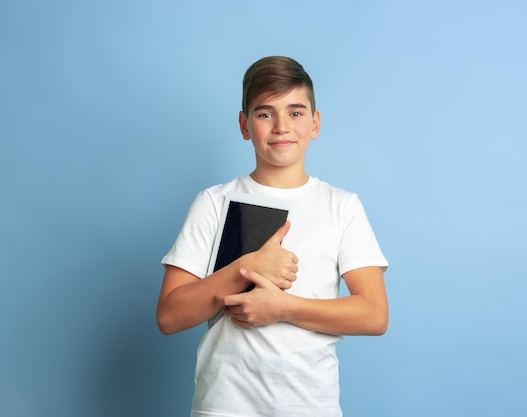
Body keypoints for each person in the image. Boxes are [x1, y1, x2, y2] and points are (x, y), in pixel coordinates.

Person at [156, 56, 389, 417]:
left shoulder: (341, 206)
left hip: (308, 406)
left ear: (315, 123)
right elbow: (169, 317)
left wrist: (283, 308)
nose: (281, 126)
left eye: (295, 113)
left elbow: (374, 315)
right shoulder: (214, 203)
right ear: (244, 125)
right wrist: (244, 267)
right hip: (223, 406)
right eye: (265, 113)